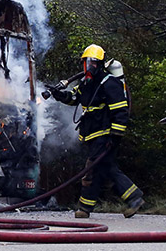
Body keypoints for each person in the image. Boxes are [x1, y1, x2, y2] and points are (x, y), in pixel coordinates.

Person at [53, 44, 144, 218]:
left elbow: (121, 112)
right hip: (92, 134)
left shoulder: (110, 83)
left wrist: (115, 136)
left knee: (98, 167)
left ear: (101, 64)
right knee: (99, 168)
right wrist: (58, 94)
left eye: (93, 63)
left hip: (105, 134)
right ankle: (86, 207)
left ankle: (133, 197)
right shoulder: (86, 83)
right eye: (87, 62)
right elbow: (74, 98)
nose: (89, 66)